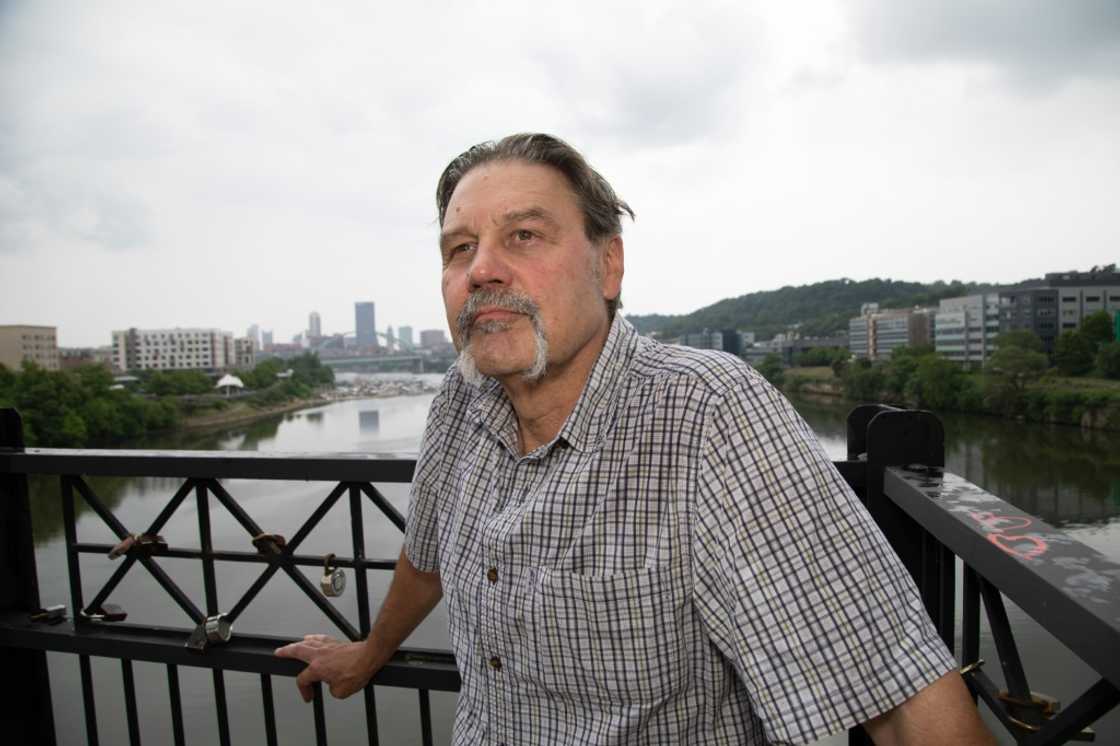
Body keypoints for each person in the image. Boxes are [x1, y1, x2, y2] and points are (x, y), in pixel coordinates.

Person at [276, 133, 994, 745]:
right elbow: (428, 552)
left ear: (608, 264)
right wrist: (370, 653)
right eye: (460, 248)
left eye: (523, 235)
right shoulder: (462, 397)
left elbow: (898, 702)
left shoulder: (708, 414)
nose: (482, 270)